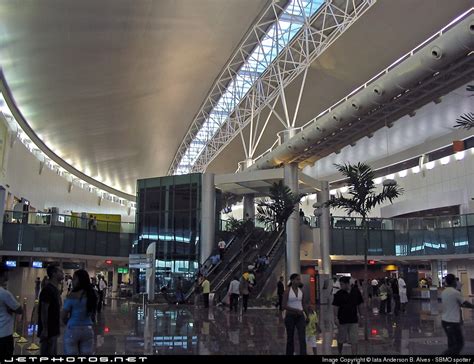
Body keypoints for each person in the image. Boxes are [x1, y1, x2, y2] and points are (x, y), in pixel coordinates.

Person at [61, 269, 97, 355]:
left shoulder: (72, 295)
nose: (72, 281)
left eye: (74, 279)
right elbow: (93, 314)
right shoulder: (92, 294)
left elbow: (63, 315)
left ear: (80, 280)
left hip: (73, 329)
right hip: (88, 329)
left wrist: (68, 322)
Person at [441, 274, 474, 355]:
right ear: (453, 281)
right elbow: (464, 303)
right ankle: (444, 356)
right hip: (453, 322)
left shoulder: (444, 292)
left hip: (444, 321)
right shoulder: (455, 292)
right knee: (459, 344)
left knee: (451, 343)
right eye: (455, 280)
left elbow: (459, 304)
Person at [38, 264, 64, 355]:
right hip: (48, 331)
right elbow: (44, 310)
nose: (62, 273)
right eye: (60, 271)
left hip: (53, 330)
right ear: (54, 274)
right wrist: (45, 329)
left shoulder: (55, 290)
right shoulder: (48, 290)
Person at [333, 276, 363, 355]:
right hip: (342, 320)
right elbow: (335, 306)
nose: (340, 286)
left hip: (353, 320)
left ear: (347, 284)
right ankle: (340, 352)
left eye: (342, 284)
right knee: (341, 339)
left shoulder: (356, 292)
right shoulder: (338, 294)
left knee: (354, 340)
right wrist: (336, 317)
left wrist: (361, 315)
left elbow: (359, 304)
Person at [0, 264, 23, 356]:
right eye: (7, 272)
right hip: (4, 335)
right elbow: (19, 309)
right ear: (4, 274)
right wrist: (9, 308)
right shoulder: (4, 293)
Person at [282, 273, 308, 355]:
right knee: (290, 338)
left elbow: (303, 304)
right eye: (297, 279)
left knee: (302, 337)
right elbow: (283, 306)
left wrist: (307, 315)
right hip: (290, 317)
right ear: (292, 280)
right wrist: (295, 310)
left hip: (300, 317)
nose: (299, 281)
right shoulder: (287, 291)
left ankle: (303, 353)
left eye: (299, 279)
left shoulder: (301, 291)